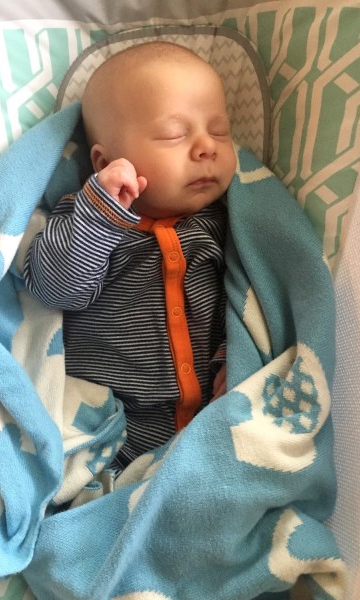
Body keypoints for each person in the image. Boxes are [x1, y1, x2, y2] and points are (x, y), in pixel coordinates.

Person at [24, 42, 236, 472]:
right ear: (106, 161)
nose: (206, 147)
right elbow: (55, 289)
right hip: (111, 431)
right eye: (175, 134)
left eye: (219, 131)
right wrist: (100, 212)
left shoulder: (226, 224)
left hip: (211, 428)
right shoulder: (89, 221)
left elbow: (254, 303)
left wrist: (240, 358)